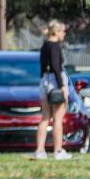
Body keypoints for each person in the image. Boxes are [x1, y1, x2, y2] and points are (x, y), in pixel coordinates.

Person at [35, 19, 72, 160]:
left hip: (44, 80)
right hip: (55, 82)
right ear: (55, 32)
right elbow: (56, 67)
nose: (64, 33)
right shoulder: (55, 46)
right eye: (63, 31)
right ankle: (58, 151)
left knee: (45, 117)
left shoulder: (44, 46)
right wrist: (63, 86)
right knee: (57, 118)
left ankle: (39, 151)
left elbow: (43, 67)